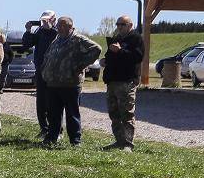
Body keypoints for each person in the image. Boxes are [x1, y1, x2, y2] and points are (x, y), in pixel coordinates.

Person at [38, 16, 103, 147]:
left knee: (72, 114)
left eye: (63, 25)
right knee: (53, 114)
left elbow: (97, 49)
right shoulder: (56, 40)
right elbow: (47, 56)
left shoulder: (78, 39)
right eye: (58, 25)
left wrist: (79, 65)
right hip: (53, 83)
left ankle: (75, 141)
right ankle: (52, 138)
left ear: (70, 27)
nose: (59, 28)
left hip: (70, 83)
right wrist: (45, 70)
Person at [102, 15, 145, 150]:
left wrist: (120, 51)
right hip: (112, 81)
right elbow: (110, 56)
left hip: (126, 81)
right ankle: (119, 141)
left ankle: (128, 144)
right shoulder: (116, 38)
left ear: (130, 25)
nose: (119, 27)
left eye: (123, 24)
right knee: (114, 113)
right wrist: (105, 60)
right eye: (118, 24)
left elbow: (137, 57)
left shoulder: (136, 39)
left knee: (126, 113)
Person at [26, 10, 59, 137]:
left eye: (47, 20)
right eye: (43, 20)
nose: (45, 22)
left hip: (54, 74)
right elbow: (27, 43)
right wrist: (28, 30)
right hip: (40, 72)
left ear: (53, 20)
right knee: (41, 103)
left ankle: (55, 130)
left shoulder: (58, 32)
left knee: (53, 103)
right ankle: (44, 129)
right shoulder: (39, 31)